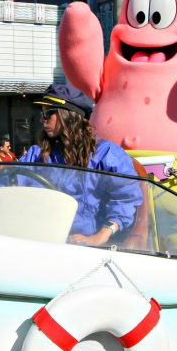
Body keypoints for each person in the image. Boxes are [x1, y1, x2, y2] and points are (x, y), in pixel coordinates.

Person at [18, 84, 140, 246]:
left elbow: (126, 197)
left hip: (85, 244)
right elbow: (10, 182)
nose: (43, 119)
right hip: (40, 239)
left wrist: (101, 236)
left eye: (48, 113)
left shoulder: (106, 154)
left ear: (68, 116)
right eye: (42, 113)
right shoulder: (37, 154)